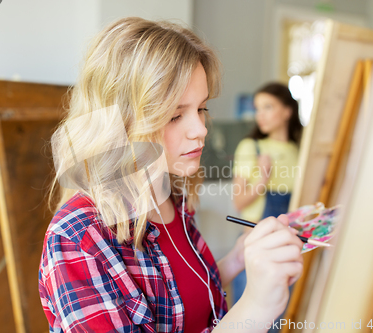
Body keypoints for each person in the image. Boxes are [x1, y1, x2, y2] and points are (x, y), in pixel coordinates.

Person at [38, 17, 303, 333]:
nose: (200, 130)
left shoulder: (170, 193)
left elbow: (179, 298)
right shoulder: (77, 239)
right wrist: (256, 307)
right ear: (119, 123)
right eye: (176, 115)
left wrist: (236, 259)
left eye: (202, 109)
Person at [231, 82, 303, 332]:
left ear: (287, 111)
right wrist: (262, 178)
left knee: (279, 320)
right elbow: (238, 202)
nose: (259, 114)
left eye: (268, 107)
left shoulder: (300, 151)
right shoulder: (251, 147)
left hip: (286, 250)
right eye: (257, 108)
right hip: (253, 250)